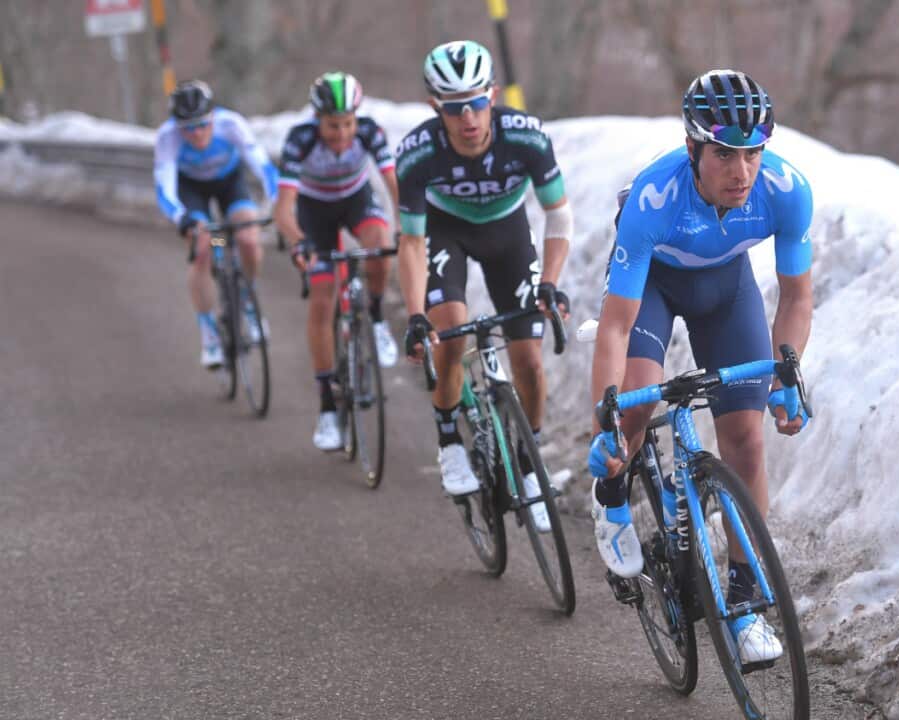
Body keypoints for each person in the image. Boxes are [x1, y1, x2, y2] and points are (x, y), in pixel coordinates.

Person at [586, 69, 814, 663]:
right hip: (651, 290)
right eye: (723, 155)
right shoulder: (653, 198)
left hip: (727, 290)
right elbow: (614, 326)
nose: (741, 173)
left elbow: (796, 298)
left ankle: (743, 598)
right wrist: (605, 419)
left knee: (746, 440)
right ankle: (611, 491)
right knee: (636, 403)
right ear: (693, 149)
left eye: (752, 154)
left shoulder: (786, 191)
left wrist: (788, 372)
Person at [397, 40, 573, 531]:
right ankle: (450, 440)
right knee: (450, 335)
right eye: (454, 108)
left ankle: (529, 461)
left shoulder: (527, 137)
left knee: (530, 362)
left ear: (492, 94)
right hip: (446, 230)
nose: (468, 117)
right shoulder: (416, 154)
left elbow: (559, 216)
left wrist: (551, 283)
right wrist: (416, 314)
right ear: (436, 108)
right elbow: (410, 244)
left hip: (507, 232)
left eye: (476, 101)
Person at [275, 72, 400, 451]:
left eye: (347, 124)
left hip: (355, 199)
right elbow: (283, 209)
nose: (342, 134)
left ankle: (376, 317)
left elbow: (394, 185)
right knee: (323, 295)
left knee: (379, 243)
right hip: (313, 213)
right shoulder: (300, 140)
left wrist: (410, 227)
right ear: (318, 119)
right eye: (333, 125)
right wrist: (298, 243)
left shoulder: (370, 132)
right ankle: (328, 407)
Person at [154, 80, 278, 369]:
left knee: (248, 238)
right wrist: (180, 218)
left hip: (229, 185)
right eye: (188, 127)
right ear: (177, 126)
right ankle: (209, 332)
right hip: (192, 192)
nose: (196, 133)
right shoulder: (167, 137)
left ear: (213, 116)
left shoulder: (231, 124)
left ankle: (247, 301)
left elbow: (264, 167)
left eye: (202, 124)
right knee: (204, 246)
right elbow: (165, 189)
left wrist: (275, 203)